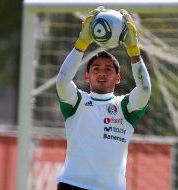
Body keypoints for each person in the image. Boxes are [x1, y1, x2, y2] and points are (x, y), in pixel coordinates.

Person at [56, 7, 151, 190]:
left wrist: (133, 50)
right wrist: (82, 43)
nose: (101, 73)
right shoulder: (77, 102)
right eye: (96, 69)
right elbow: (61, 81)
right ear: (87, 76)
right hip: (73, 185)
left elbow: (145, 89)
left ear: (117, 77)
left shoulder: (125, 107)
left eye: (108, 69)